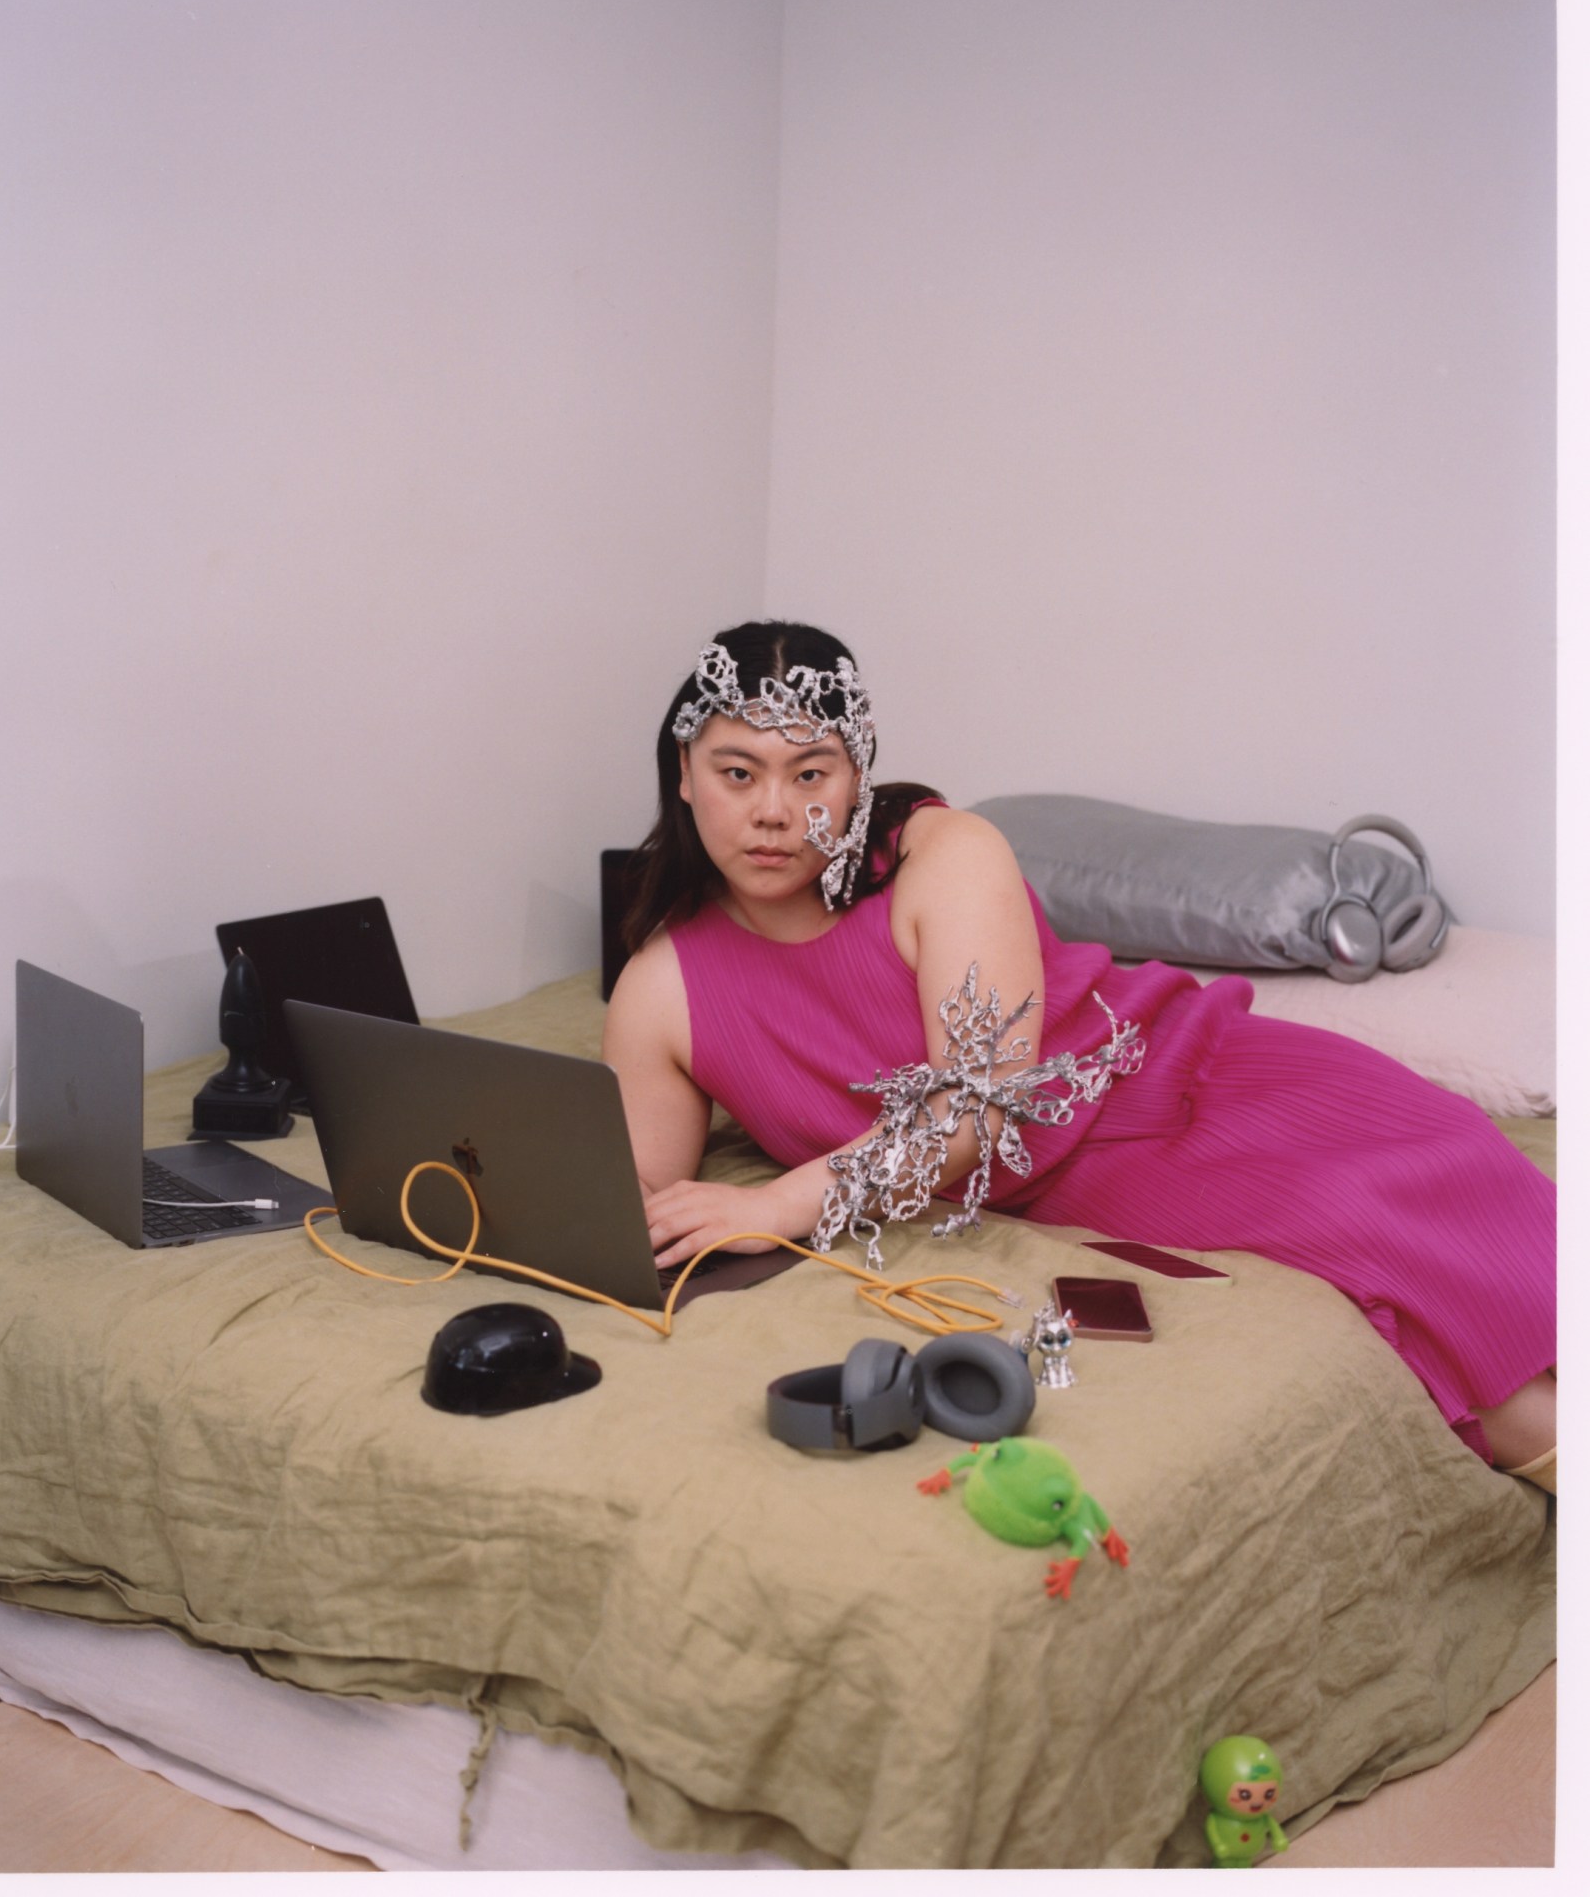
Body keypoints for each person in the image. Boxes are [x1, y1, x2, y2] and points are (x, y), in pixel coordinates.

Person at [602, 620, 1556, 1486]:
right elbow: (627, 1200)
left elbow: (980, 1109)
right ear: (683, 775)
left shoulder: (948, 852)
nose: (774, 810)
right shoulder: (660, 983)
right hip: (1086, 1188)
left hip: (1181, 1081)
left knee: (1449, 1211)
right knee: (1437, 1328)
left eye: (809, 773)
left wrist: (773, 1201)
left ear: (854, 778)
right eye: (737, 773)